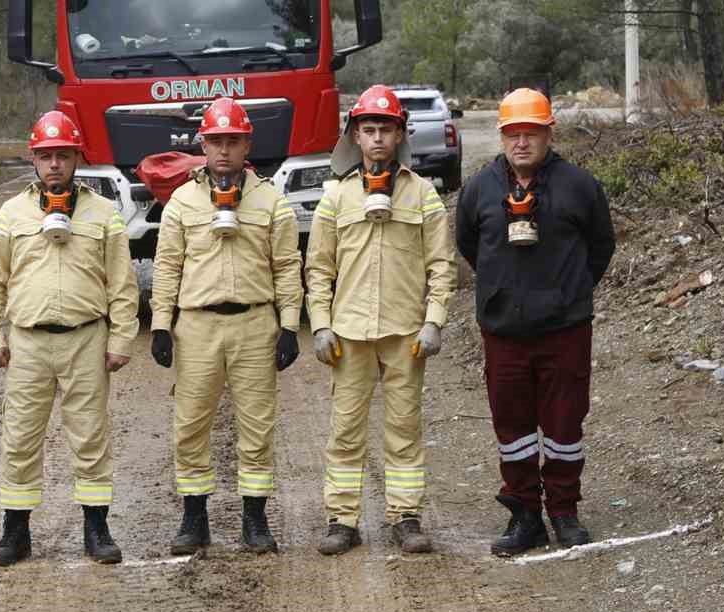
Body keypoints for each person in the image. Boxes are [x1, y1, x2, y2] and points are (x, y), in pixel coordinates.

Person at [0, 111, 139, 566]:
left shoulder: (103, 213)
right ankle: (15, 532)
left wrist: (121, 338)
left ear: (76, 158)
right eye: (46, 156)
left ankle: (97, 528)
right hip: (27, 340)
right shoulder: (12, 213)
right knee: (20, 437)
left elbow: (121, 284)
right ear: (33, 159)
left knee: (90, 436)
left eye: (62, 155)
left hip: (86, 337)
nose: (54, 165)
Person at [455, 88, 615, 556]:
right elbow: (468, 244)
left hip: (564, 330)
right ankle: (525, 514)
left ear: (549, 133)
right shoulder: (480, 188)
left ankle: (564, 511)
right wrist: (502, 292)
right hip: (504, 332)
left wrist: (572, 292)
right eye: (512, 134)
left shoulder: (579, 186)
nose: (521, 142)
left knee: (565, 424)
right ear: (501, 136)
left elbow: (601, 245)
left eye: (531, 133)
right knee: (513, 426)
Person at [307, 86, 457, 556]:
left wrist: (434, 322)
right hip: (349, 334)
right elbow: (318, 268)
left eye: (385, 130)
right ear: (354, 135)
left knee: (404, 429)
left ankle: (405, 516)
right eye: (368, 130)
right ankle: (342, 519)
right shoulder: (336, 197)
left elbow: (441, 265)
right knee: (345, 430)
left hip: (405, 333)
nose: (376, 139)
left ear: (399, 135)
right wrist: (320, 324)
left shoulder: (423, 194)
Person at [150, 97, 303, 554]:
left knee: (257, 425)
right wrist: (161, 324)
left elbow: (287, 267)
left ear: (246, 144)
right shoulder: (182, 200)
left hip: (255, 323)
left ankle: (254, 520)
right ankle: (194, 519)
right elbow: (167, 266)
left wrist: (290, 326)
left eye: (232, 141)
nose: (223, 151)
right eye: (215, 141)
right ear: (202, 143)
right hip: (198, 326)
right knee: (191, 424)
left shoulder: (271, 200)